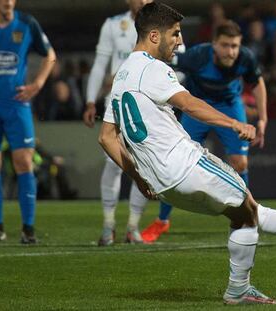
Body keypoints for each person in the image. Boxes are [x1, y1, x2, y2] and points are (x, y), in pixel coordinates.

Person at [99, 2, 276, 304]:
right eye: (174, 34)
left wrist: (138, 177)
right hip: (186, 166)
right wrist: (234, 123)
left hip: (161, 183)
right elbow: (190, 105)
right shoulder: (153, 68)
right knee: (250, 211)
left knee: (241, 214)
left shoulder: (122, 75)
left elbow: (106, 138)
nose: (179, 40)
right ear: (153, 36)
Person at [141, 19, 268, 243]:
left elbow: (257, 83)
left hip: (230, 105)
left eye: (235, 46)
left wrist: (263, 118)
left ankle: (246, 217)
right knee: (175, 163)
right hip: (197, 107)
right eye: (226, 45)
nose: (231, 52)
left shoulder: (245, 57)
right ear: (214, 44)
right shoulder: (197, 56)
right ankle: (162, 221)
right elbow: (164, 60)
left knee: (241, 164)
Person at [83, 0, 152, 246]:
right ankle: (108, 225)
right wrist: (90, 100)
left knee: (144, 164)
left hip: (149, 101)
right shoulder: (113, 25)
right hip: (118, 99)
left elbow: (176, 62)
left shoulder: (163, 23)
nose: (143, 1)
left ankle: (133, 227)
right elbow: (101, 63)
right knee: (113, 162)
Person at [0, 0, 56, 243]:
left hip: (17, 104)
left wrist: (38, 84)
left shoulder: (26, 23)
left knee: (23, 162)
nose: (9, 2)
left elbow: (50, 56)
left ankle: (28, 229)